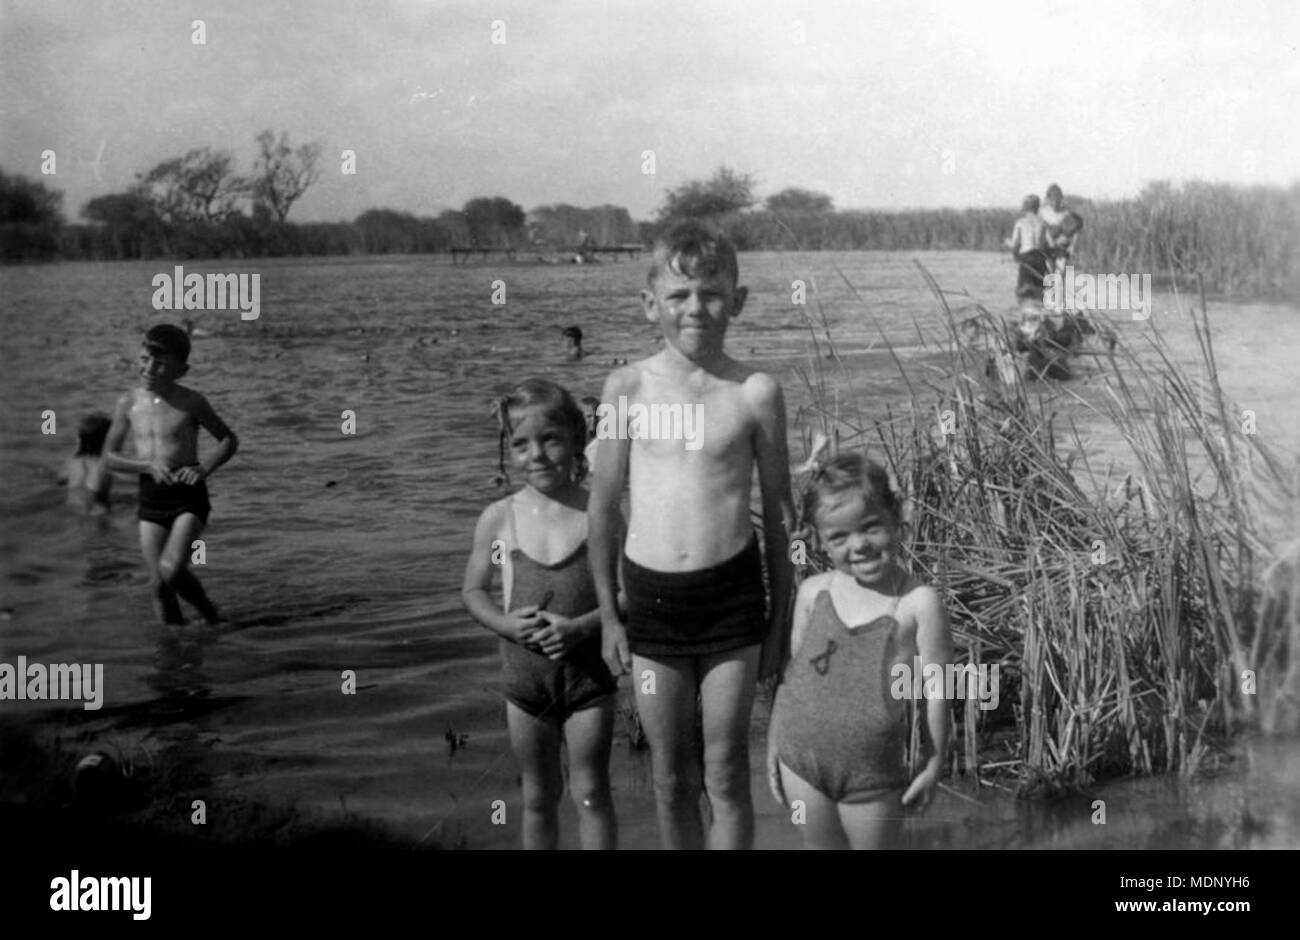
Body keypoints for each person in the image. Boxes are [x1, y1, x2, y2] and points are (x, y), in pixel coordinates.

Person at [589, 220, 795, 850]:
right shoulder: (626, 387)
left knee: (727, 771)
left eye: (710, 293)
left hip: (732, 599)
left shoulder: (756, 392)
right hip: (650, 602)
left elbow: (781, 516)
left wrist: (780, 623)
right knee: (669, 776)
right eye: (677, 296)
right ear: (649, 304)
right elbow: (602, 508)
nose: (694, 308)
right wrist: (608, 617)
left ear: (738, 300)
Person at [461, 378, 618, 850]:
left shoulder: (600, 512)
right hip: (524, 683)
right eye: (521, 444)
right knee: (537, 796)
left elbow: (630, 595)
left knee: (591, 793)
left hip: (590, 678)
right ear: (508, 450)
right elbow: (473, 591)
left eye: (550, 439)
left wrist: (582, 627)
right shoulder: (499, 517)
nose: (537, 454)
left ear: (576, 438)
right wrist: (505, 624)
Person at [767, 452, 952, 849]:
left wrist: (935, 760)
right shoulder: (812, 593)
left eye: (870, 528)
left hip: (872, 774)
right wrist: (773, 745)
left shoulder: (918, 603)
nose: (859, 546)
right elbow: (791, 675)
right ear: (819, 540)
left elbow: (938, 689)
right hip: (799, 760)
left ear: (896, 517)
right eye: (839, 537)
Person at [104, 324, 238, 625]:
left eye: (160, 363)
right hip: (151, 495)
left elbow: (229, 439)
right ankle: (174, 656)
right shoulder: (128, 403)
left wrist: (204, 468)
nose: (149, 369)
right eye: (143, 359)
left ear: (182, 370)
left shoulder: (191, 402)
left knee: (172, 569)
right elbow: (109, 457)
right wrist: (145, 466)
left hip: (187, 495)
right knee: (159, 586)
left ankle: (211, 615)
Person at [62, 412, 113, 514]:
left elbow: (60, 480)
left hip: (72, 508)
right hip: (97, 510)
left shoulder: (71, 462)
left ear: (80, 439)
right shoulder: (106, 464)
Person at [1006, 194, 1051, 303]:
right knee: (1040, 292)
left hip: (1027, 260)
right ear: (1037, 207)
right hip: (1040, 260)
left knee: (1023, 293)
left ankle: (1025, 315)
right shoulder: (1043, 223)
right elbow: (1047, 244)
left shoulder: (1020, 223)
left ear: (1025, 207)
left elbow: (1015, 245)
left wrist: (1008, 244)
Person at [1040, 184, 1082, 271]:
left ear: (1061, 199)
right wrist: (1049, 240)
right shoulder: (1043, 212)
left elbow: (1076, 230)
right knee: (1049, 269)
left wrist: (1072, 245)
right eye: (1052, 200)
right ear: (1048, 199)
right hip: (1047, 246)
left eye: (1057, 199)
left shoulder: (1066, 213)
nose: (1055, 203)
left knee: (1062, 270)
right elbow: (1042, 230)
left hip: (1062, 247)